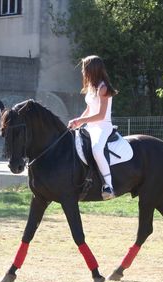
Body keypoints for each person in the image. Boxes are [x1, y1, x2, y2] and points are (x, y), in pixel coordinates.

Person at [68, 55, 118, 200]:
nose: (83, 72)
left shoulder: (103, 88)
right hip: (91, 126)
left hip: (103, 127)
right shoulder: (91, 87)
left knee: (96, 149)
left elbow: (101, 115)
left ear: (92, 70)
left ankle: (108, 186)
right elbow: (90, 109)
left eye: (84, 69)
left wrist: (80, 119)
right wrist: (78, 122)